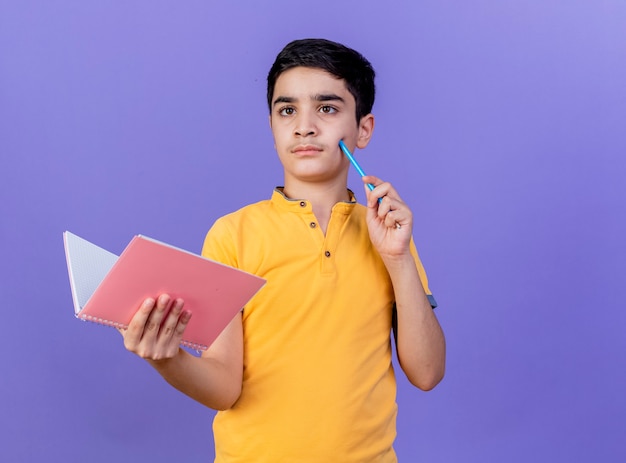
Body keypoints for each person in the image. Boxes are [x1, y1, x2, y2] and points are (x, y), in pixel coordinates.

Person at [120, 38, 446, 462]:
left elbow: (427, 372)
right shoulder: (232, 234)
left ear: (362, 130)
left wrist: (399, 258)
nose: (304, 126)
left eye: (327, 109)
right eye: (287, 110)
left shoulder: (388, 234)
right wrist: (167, 359)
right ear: (272, 125)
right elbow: (224, 386)